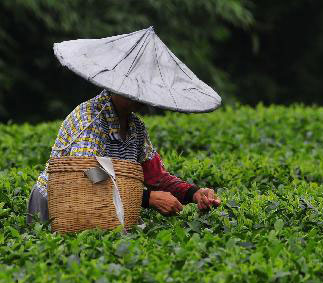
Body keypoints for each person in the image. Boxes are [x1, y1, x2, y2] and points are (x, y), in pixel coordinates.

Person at [27, 27, 222, 225]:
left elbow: (156, 177)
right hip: (56, 203)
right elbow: (88, 176)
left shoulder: (135, 127)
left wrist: (194, 193)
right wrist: (148, 198)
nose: (141, 99)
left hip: (96, 206)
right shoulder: (90, 118)